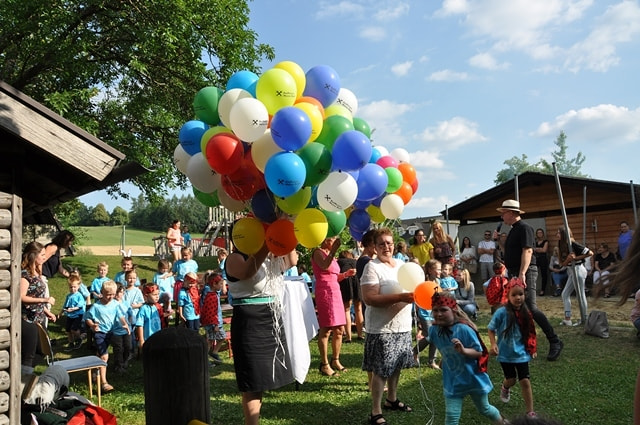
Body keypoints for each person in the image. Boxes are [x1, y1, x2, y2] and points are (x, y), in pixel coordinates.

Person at [224, 238, 297, 425]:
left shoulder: (268, 258)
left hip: (270, 318)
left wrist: (287, 236)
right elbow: (247, 272)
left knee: (261, 380)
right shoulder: (234, 258)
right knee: (252, 383)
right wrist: (267, 243)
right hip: (250, 321)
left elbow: (291, 261)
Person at [495, 199, 563, 361]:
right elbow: (508, 252)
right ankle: (523, 343)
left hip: (524, 271)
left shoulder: (524, 228)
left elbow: (528, 251)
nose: (502, 216)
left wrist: (522, 274)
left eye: (503, 213)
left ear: (511, 213)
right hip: (514, 272)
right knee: (518, 309)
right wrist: (498, 241)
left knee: (531, 307)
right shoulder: (513, 230)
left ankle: (555, 341)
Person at [360, 228, 416, 425]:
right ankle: (375, 411)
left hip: (402, 326)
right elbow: (369, 298)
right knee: (381, 370)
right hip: (382, 328)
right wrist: (400, 297)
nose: (386, 247)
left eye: (389, 243)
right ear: (375, 247)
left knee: (396, 365)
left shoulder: (401, 264)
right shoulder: (372, 267)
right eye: (382, 243)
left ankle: (391, 399)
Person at [429, 291, 508, 425]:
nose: (439, 314)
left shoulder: (464, 329)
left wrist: (464, 351)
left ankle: (503, 422)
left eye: (443, 310)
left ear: (454, 310)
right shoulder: (435, 330)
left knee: (484, 408)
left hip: (472, 378)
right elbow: (432, 342)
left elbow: (479, 352)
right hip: (453, 380)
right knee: (452, 415)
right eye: (435, 310)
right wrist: (413, 352)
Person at [488, 278, 538, 419]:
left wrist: (532, 348)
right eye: (514, 295)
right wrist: (493, 344)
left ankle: (530, 411)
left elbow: (530, 332)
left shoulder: (526, 313)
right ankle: (505, 387)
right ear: (508, 296)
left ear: (524, 295)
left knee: (525, 381)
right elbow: (491, 329)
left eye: (520, 294)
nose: (518, 298)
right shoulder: (501, 312)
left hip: (521, 353)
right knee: (511, 380)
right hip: (506, 354)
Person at [312, 237, 355, 376]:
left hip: (335, 291)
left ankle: (335, 360)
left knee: (339, 329)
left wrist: (345, 274)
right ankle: (324, 364)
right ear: (325, 240)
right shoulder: (318, 252)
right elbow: (324, 266)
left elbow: (334, 276)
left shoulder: (331, 255)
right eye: (332, 239)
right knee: (326, 329)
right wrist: (333, 251)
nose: (335, 241)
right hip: (325, 291)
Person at [85, 280, 127, 393]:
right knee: (104, 356)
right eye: (108, 294)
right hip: (99, 333)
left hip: (110, 333)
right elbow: (87, 318)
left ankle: (95, 372)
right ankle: (104, 383)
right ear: (102, 293)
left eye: (113, 294)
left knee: (99, 354)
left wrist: (124, 324)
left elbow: (120, 315)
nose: (110, 297)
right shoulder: (96, 306)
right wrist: (92, 325)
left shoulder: (115, 304)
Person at [557, 227, 593, 326]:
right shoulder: (561, 245)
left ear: (564, 234)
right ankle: (567, 319)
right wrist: (568, 260)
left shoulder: (573, 244)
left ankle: (584, 318)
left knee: (580, 295)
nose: (557, 235)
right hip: (571, 271)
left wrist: (576, 258)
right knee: (565, 294)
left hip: (578, 269)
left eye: (559, 233)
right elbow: (562, 264)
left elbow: (590, 253)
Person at [21, 241, 57, 327]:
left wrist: (47, 312)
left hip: (40, 318)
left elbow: (37, 296)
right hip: (28, 320)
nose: (45, 258)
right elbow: (21, 297)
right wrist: (45, 300)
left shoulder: (36, 272)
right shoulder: (25, 274)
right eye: (42, 255)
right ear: (33, 256)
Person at [414, 259, 441, 369]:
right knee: (432, 336)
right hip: (424, 314)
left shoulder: (438, 282)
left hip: (435, 314)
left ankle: (431, 361)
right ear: (430, 270)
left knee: (436, 336)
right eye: (437, 269)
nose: (440, 271)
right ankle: (414, 352)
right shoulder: (423, 283)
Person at [201, 271, 226, 365]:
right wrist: (215, 324)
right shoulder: (211, 296)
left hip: (216, 322)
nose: (221, 286)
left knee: (222, 337)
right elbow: (211, 312)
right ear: (214, 284)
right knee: (210, 341)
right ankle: (204, 359)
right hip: (212, 323)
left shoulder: (214, 294)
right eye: (220, 284)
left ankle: (214, 353)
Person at [337, 250, 362, 343]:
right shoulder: (355, 261)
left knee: (346, 310)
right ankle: (360, 335)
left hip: (345, 281)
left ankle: (348, 337)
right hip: (356, 282)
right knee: (358, 309)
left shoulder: (339, 262)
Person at [135, 283, 165, 350]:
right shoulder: (143, 309)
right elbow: (139, 325)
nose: (157, 296)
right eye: (154, 294)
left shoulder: (156, 307)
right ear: (146, 295)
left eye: (158, 294)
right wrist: (141, 340)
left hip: (157, 337)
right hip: (148, 339)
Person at [61, 273, 86, 350]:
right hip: (70, 315)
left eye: (74, 287)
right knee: (68, 330)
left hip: (78, 315)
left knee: (74, 329)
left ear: (78, 286)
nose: (72, 289)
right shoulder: (68, 296)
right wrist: (61, 312)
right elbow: (65, 305)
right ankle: (71, 343)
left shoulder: (79, 296)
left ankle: (79, 339)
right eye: (71, 287)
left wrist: (72, 309)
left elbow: (79, 306)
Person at [112, 284, 134, 373]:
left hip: (126, 329)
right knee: (118, 348)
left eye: (120, 292)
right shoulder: (111, 304)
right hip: (115, 330)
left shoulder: (126, 303)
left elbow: (130, 314)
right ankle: (118, 366)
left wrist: (131, 323)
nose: (118, 294)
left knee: (128, 346)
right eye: (116, 292)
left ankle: (125, 361)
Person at [172, 247, 198, 311]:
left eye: (186, 255)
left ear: (190, 254)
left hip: (190, 284)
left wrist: (196, 282)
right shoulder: (178, 263)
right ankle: (179, 311)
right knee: (180, 298)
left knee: (191, 297)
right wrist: (167, 275)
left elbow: (194, 274)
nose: (184, 257)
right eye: (182, 255)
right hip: (181, 283)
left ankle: (191, 310)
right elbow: (173, 272)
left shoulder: (193, 263)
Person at [534, 229, 549, 296]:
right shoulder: (535, 241)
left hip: (543, 259)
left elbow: (544, 250)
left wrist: (537, 249)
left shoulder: (546, 241)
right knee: (534, 273)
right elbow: (532, 249)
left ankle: (543, 290)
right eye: (538, 233)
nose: (539, 234)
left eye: (541, 232)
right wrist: (539, 249)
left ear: (543, 233)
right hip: (536, 258)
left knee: (544, 274)